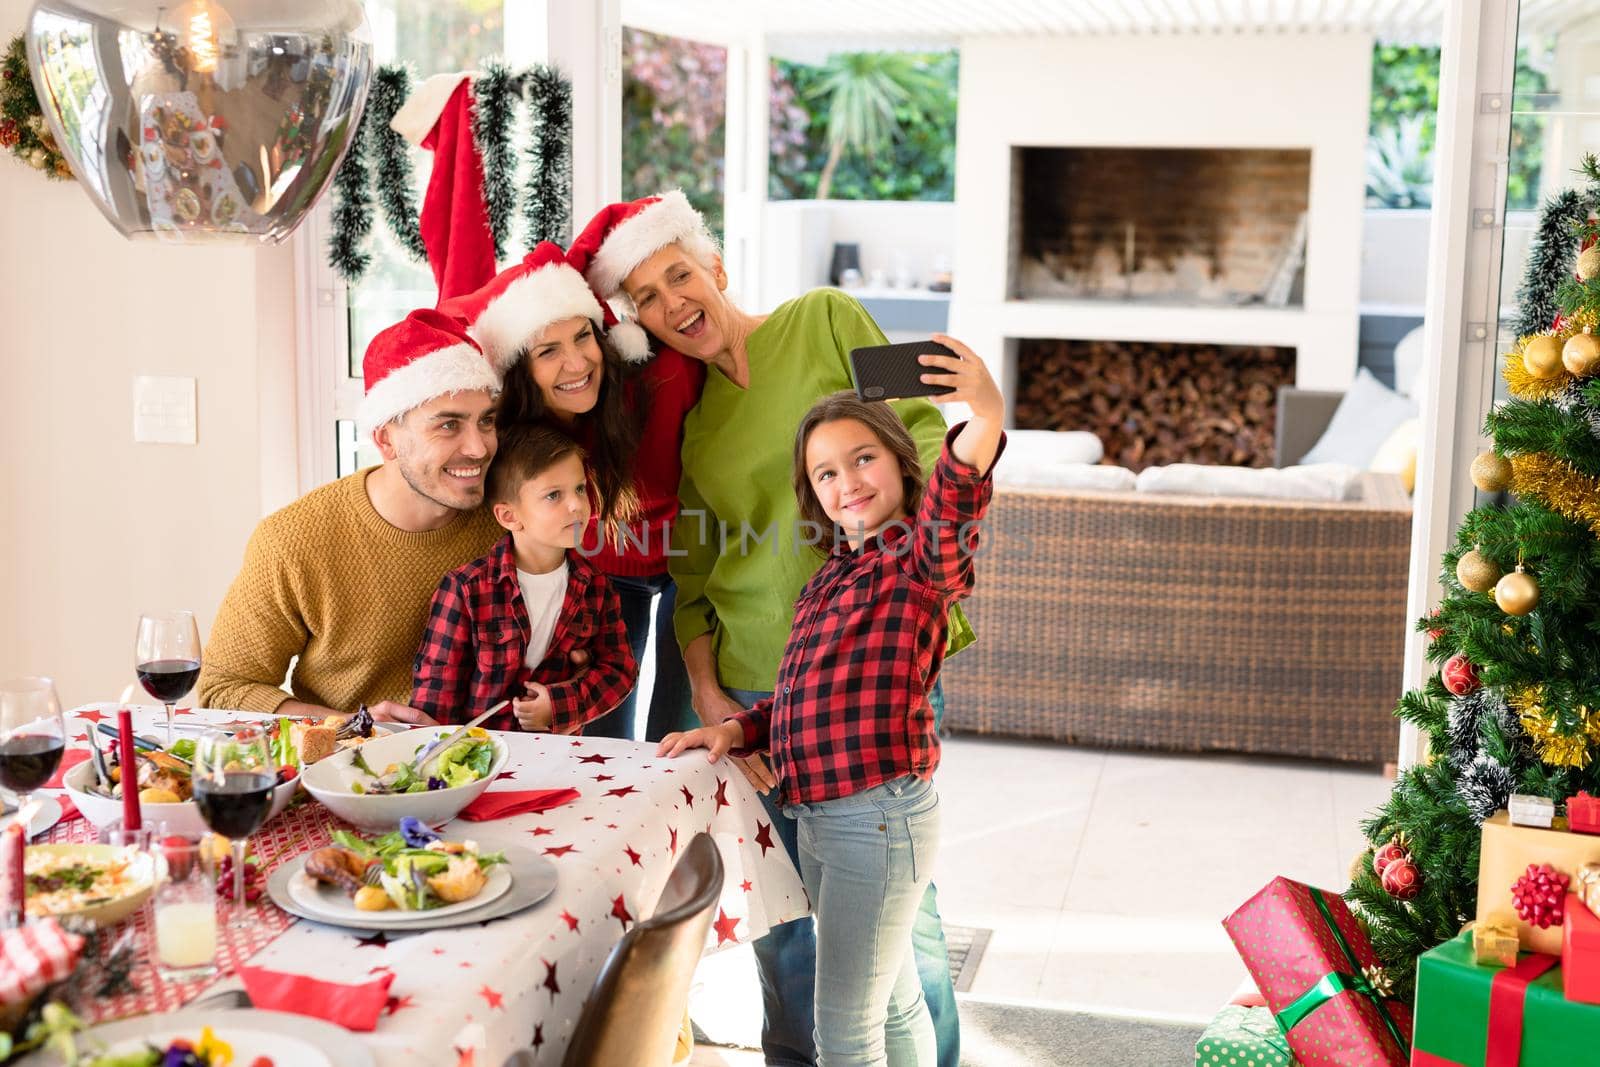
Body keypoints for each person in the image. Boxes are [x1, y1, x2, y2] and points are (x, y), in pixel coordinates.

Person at [576, 190, 970, 1067]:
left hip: (870, 671)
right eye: (645, 296)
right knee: (784, 920)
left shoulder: (825, 318)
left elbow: (924, 430)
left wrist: (905, 578)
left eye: (679, 274)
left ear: (715, 268)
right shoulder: (697, 423)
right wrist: (708, 685)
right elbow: (693, 570)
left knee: (898, 919)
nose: (673, 302)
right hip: (755, 687)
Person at [660, 349, 1004, 1066]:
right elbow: (795, 701)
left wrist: (987, 412)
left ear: (901, 464)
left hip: (874, 819)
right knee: (894, 1000)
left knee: (843, 1030)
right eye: (826, 472)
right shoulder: (826, 583)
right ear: (811, 492)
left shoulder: (916, 557)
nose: (847, 482)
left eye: (863, 458)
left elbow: (958, 490)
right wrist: (731, 728)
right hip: (824, 818)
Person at [445, 240, 704, 743]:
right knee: (599, 730)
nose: (576, 363)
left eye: (583, 337)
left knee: (678, 727)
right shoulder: (515, 438)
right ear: (521, 369)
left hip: (686, 561)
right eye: (548, 351)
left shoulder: (663, 379)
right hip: (600, 570)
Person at [198, 309, 502, 724]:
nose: (479, 448)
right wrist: (355, 726)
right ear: (386, 439)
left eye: (486, 421)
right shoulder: (293, 540)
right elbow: (224, 689)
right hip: (350, 771)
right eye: (448, 426)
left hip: (505, 761)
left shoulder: (510, 519)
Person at [411, 424, 637, 732]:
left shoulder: (596, 588)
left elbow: (619, 670)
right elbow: (435, 698)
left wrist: (558, 706)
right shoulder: (465, 590)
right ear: (509, 516)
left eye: (580, 489)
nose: (576, 505)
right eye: (553, 495)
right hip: (478, 764)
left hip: (560, 759)